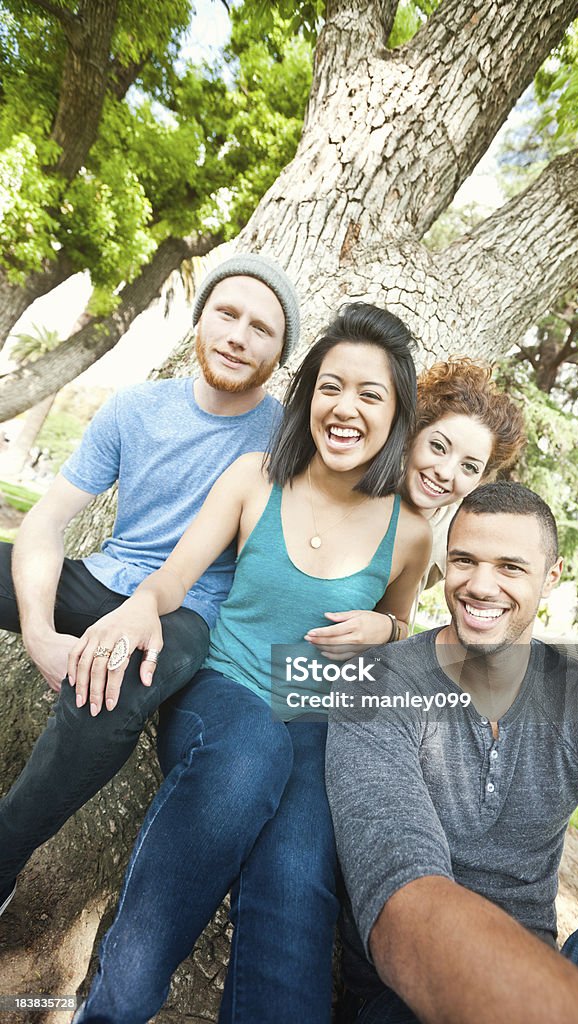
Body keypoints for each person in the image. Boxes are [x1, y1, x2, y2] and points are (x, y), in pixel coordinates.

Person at [70, 303, 432, 1023]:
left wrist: (387, 630)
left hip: (317, 722)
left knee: (298, 884)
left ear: (395, 416)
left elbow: (401, 626)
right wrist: (144, 604)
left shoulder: (410, 533)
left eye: (371, 394)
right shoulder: (254, 477)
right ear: (307, 397)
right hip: (222, 690)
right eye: (332, 386)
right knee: (248, 754)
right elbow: (174, 579)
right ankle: (113, 1008)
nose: (346, 408)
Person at [0, 252, 300, 918]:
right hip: (105, 577)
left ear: (280, 354)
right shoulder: (135, 408)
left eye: (261, 328)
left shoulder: (288, 440)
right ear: (200, 320)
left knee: (105, 690)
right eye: (226, 313)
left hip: (187, 613)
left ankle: (3, 858)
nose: (237, 335)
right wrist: (40, 632)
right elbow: (46, 521)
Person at [326, 481, 578, 1024]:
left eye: (511, 567)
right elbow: (406, 908)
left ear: (552, 575)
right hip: (405, 997)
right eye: (464, 560)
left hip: (557, 968)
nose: (481, 585)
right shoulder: (376, 687)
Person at [308, 357, 578, 709]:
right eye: (438, 446)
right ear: (411, 436)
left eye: (469, 466)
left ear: (481, 478)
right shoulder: (349, 475)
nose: (446, 472)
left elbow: (503, 611)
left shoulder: (454, 529)